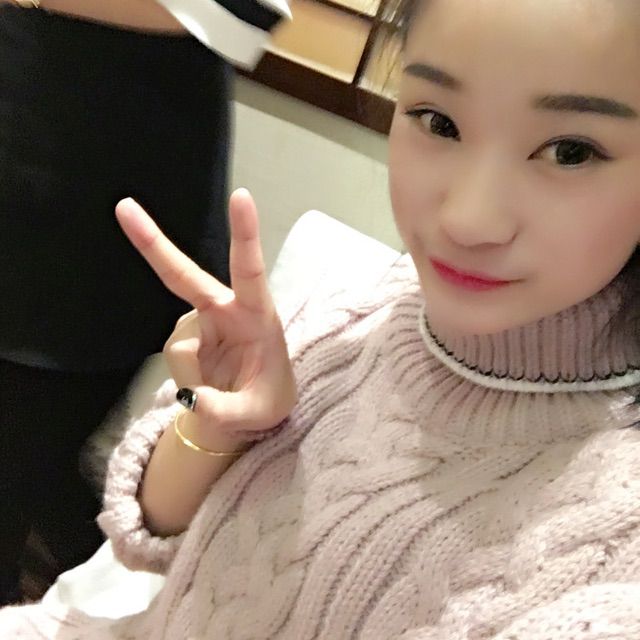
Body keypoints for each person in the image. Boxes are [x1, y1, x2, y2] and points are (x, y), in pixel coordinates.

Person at [3, 0, 640, 636]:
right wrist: (214, 424)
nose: (468, 220)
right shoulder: (351, 314)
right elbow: (150, 537)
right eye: (439, 121)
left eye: (571, 152)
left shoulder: (611, 553)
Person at [0, 0, 288, 605]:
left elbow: (245, 11)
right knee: (43, 476)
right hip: (45, 143)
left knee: (28, 463)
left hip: (85, 181)